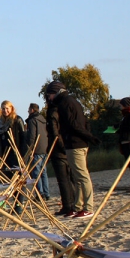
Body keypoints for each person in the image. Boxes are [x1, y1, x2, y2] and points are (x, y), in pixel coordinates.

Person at [46, 81, 100, 219]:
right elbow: (84, 122)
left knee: (82, 176)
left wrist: (90, 137)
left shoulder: (65, 104)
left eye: (50, 94)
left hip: (75, 144)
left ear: (56, 92)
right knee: (77, 177)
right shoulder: (72, 101)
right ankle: (77, 207)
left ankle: (88, 208)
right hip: (77, 143)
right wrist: (89, 137)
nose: (49, 98)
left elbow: (74, 125)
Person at [0, 100, 26, 212]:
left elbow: (23, 138)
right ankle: (15, 202)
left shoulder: (17, 120)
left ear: (11, 108)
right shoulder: (0, 123)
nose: (5, 110)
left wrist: (22, 155)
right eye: (3, 108)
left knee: (18, 180)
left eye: (7, 108)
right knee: (9, 180)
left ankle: (19, 205)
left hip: (16, 153)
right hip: (5, 154)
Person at [46, 100, 75, 216]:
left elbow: (55, 134)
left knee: (63, 180)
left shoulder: (53, 113)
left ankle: (68, 205)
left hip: (60, 151)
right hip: (67, 148)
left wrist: (62, 148)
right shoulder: (65, 111)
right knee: (70, 178)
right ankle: (73, 204)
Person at [25, 103, 50, 200]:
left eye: (28, 109)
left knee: (36, 173)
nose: (27, 111)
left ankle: (40, 194)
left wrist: (30, 147)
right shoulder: (43, 119)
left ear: (32, 110)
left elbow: (32, 135)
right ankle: (46, 193)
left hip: (37, 148)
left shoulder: (32, 120)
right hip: (45, 147)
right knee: (43, 172)